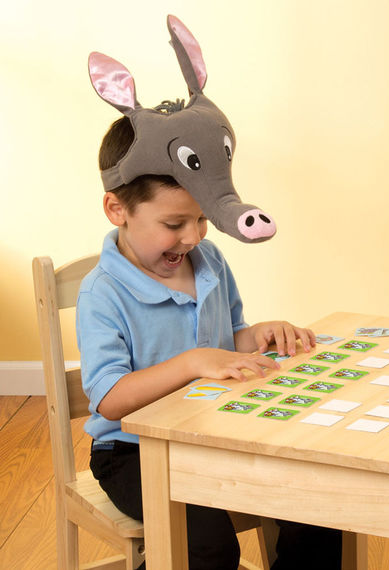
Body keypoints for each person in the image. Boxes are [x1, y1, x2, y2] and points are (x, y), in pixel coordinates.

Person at [76, 114, 343, 569]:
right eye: (174, 222)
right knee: (206, 544)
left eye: (202, 218)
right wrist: (193, 361)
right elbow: (110, 400)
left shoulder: (209, 260)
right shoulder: (102, 292)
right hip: (132, 453)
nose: (192, 236)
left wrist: (258, 335)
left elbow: (229, 339)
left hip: (218, 434)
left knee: (319, 505)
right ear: (117, 209)